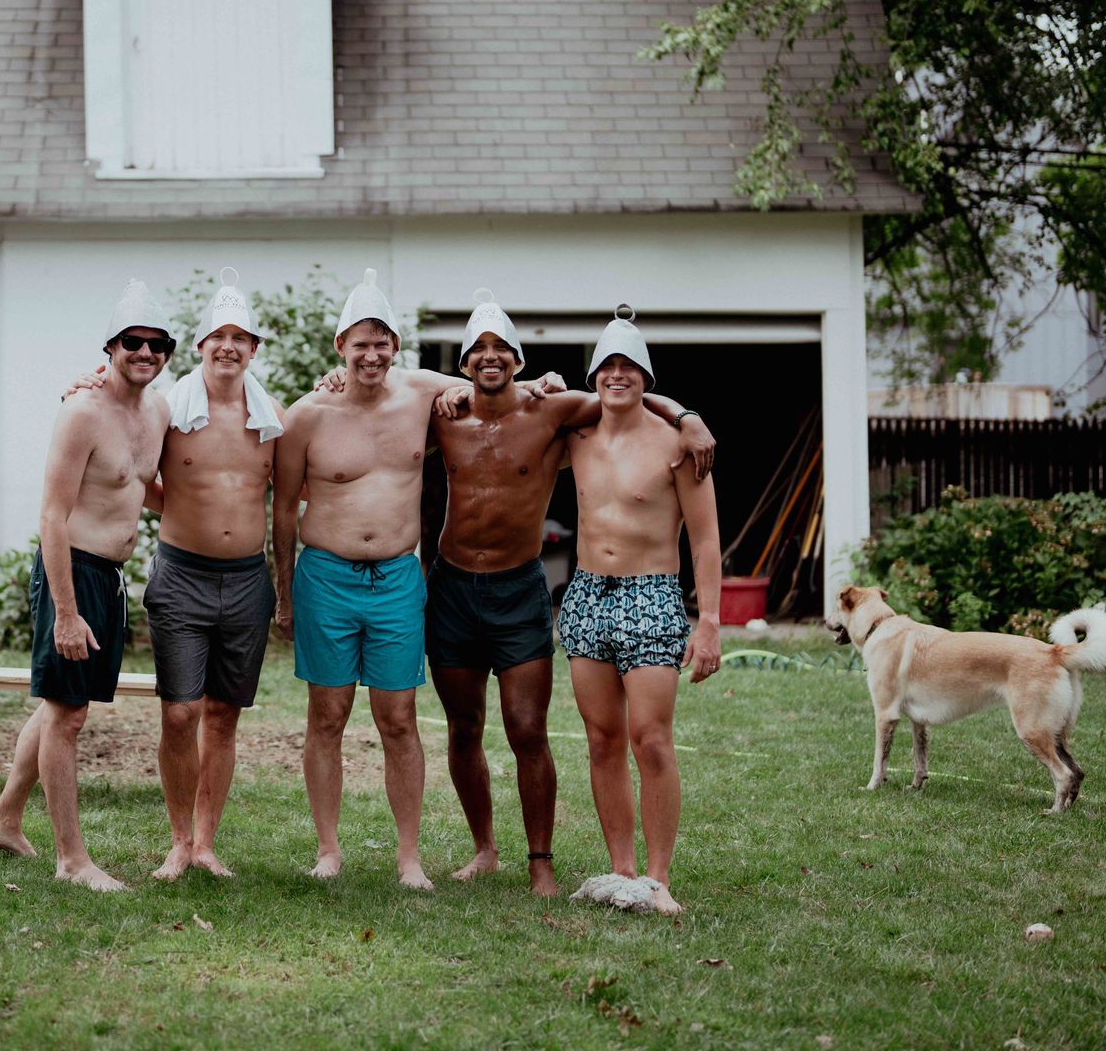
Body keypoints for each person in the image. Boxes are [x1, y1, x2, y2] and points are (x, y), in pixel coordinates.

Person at [422, 290, 713, 896]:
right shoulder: (459, 418)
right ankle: (508, 852)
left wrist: (686, 414)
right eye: (478, 349)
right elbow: (387, 390)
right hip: (499, 590)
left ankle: (582, 868)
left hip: (585, 590)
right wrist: (335, 382)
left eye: (502, 347)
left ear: (522, 361)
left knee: (584, 733)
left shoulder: (579, 421)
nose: (490, 357)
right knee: (497, 730)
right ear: (464, 364)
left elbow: (626, 397)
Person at [0, 279, 174, 892]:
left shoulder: (159, 411)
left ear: (168, 352)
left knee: (59, 706)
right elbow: (51, 517)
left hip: (110, 579)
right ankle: (72, 860)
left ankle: (5, 819)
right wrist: (64, 611)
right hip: (73, 572)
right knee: (69, 716)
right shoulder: (82, 411)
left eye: (156, 344)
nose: (145, 353)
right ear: (111, 347)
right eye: (132, 343)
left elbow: (143, 489)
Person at [273, 270, 441, 889]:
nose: (371, 355)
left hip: (397, 577)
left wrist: (547, 381)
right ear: (340, 346)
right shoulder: (307, 416)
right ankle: (328, 849)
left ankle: (409, 857)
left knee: (399, 716)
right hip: (327, 577)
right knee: (328, 714)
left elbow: (495, 384)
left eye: (383, 342)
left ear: (396, 346)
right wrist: (285, 597)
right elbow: (283, 509)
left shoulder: (422, 392)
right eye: (359, 343)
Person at [559, 309, 722, 916]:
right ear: (594, 374)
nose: (617, 375)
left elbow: (705, 540)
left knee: (649, 739)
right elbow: (522, 408)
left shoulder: (679, 446)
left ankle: (658, 878)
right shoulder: (575, 436)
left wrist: (708, 623)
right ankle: (621, 869)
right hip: (586, 595)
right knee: (601, 739)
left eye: (630, 366)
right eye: (607, 365)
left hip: (651, 595)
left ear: (647, 377)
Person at [143, 269, 285, 880]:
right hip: (182, 575)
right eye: (216, 336)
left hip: (248, 580)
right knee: (180, 713)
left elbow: (287, 494)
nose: (228, 346)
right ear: (200, 344)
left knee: (223, 714)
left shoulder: (272, 416)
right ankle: (178, 840)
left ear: (253, 349)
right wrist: (179, 507)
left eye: (240, 337)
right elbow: (131, 472)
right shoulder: (168, 408)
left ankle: (205, 842)